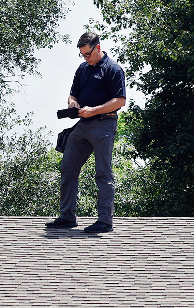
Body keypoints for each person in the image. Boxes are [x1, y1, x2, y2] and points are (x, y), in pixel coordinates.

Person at [45, 32, 126, 234]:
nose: (86, 58)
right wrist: (72, 103)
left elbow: (120, 101)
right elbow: (72, 95)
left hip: (104, 125)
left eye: (88, 54)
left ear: (98, 48)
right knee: (68, 166)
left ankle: (105, 221)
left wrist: (94, 110)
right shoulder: (82, 69)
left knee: (103, 173)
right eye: (82, 55)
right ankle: (67, 217)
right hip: (83, 124)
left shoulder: (113, 69)